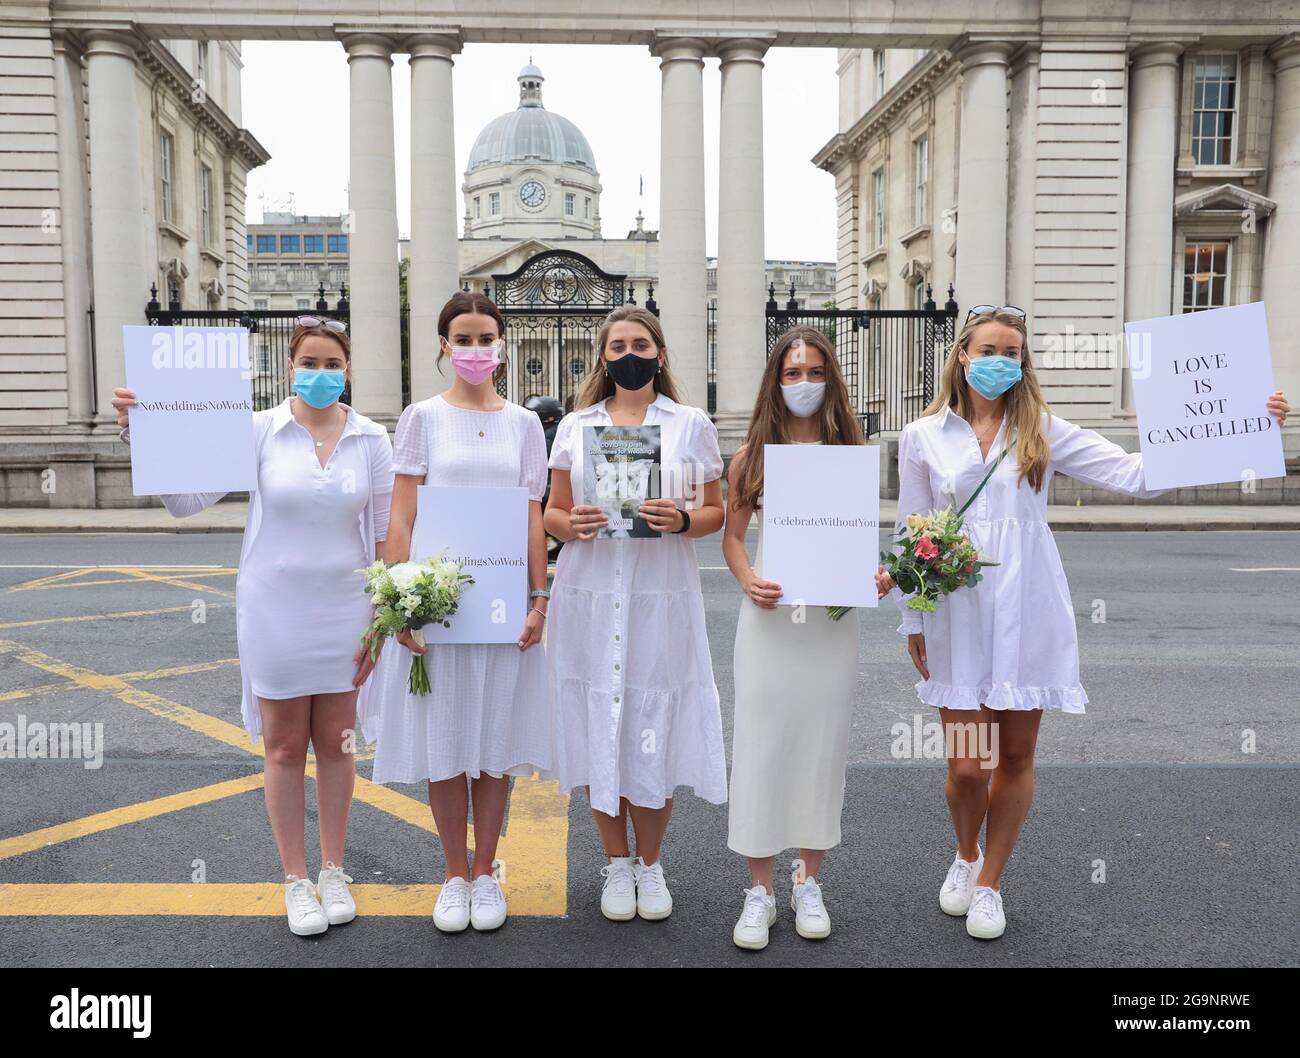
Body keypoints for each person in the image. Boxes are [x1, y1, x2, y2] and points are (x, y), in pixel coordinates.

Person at [883, 304, 1290, 941]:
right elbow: (910, 530)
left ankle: (990, 880)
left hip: (1028, 604)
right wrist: (913, 617)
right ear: (962, 355)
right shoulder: (922, 435)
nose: (1000, 362)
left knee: (1013, 754)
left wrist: (1240, 429)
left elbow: (1134, 475)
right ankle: (964, 855)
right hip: (957, 610)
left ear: (1023, 363)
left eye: (1013, 353)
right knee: (967, 765)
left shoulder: (1041, 429)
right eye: (988, 350)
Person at [111, 316, 393, 937]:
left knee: (340, 744)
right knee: (285, 746)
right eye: (309, 363)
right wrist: (143, 436)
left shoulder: (372, 439)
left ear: (348, 371)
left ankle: (334, 869)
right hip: (274, 609)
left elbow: (382, 534)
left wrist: (381, 615)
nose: (321, 374)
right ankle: (295, 878)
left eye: (333, 364)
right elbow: (187, 501)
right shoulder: (259, 430)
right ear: (290, 366)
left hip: (347, 610)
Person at [363, 291, 552, 934]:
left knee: (494, 743)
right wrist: (398, 602)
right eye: (463, 339)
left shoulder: (525, 424)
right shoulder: (421, 418)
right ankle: (452, 875)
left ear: (502, 347)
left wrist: (539, 597)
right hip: (438, 608)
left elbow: (532, 518)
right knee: (446, 743)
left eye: (485, 338)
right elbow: (402, 515)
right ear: (444, 347)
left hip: (502, 609)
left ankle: (486, 871)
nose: (475, 350)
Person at [543, 305, 726, 922]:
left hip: (659, 594)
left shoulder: (689, 423)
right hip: (591, 591)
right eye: (617, 344)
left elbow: (714, 511)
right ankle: (616, 862)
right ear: (603, 356)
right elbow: (553, 513)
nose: (629, 353)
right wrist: (576, 524)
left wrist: (681, 519)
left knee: (653, 716)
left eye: (640, 343)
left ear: (661, 353)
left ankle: (652, 862)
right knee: (601, 716)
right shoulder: (576, 426)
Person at [722, 327, 873, 950]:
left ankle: (808, 879)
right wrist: (749, 578)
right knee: (762, 745)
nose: (804, 384)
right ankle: (759, 890)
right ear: (775, 382)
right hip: (771, 620)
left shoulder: (849, 451)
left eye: (815, 372)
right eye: (792, 374)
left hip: (831, 625)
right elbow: (731, 538)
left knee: (820, 746)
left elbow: (858, 541)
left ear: (830, 378)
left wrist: (878, 575)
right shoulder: (751, 455)